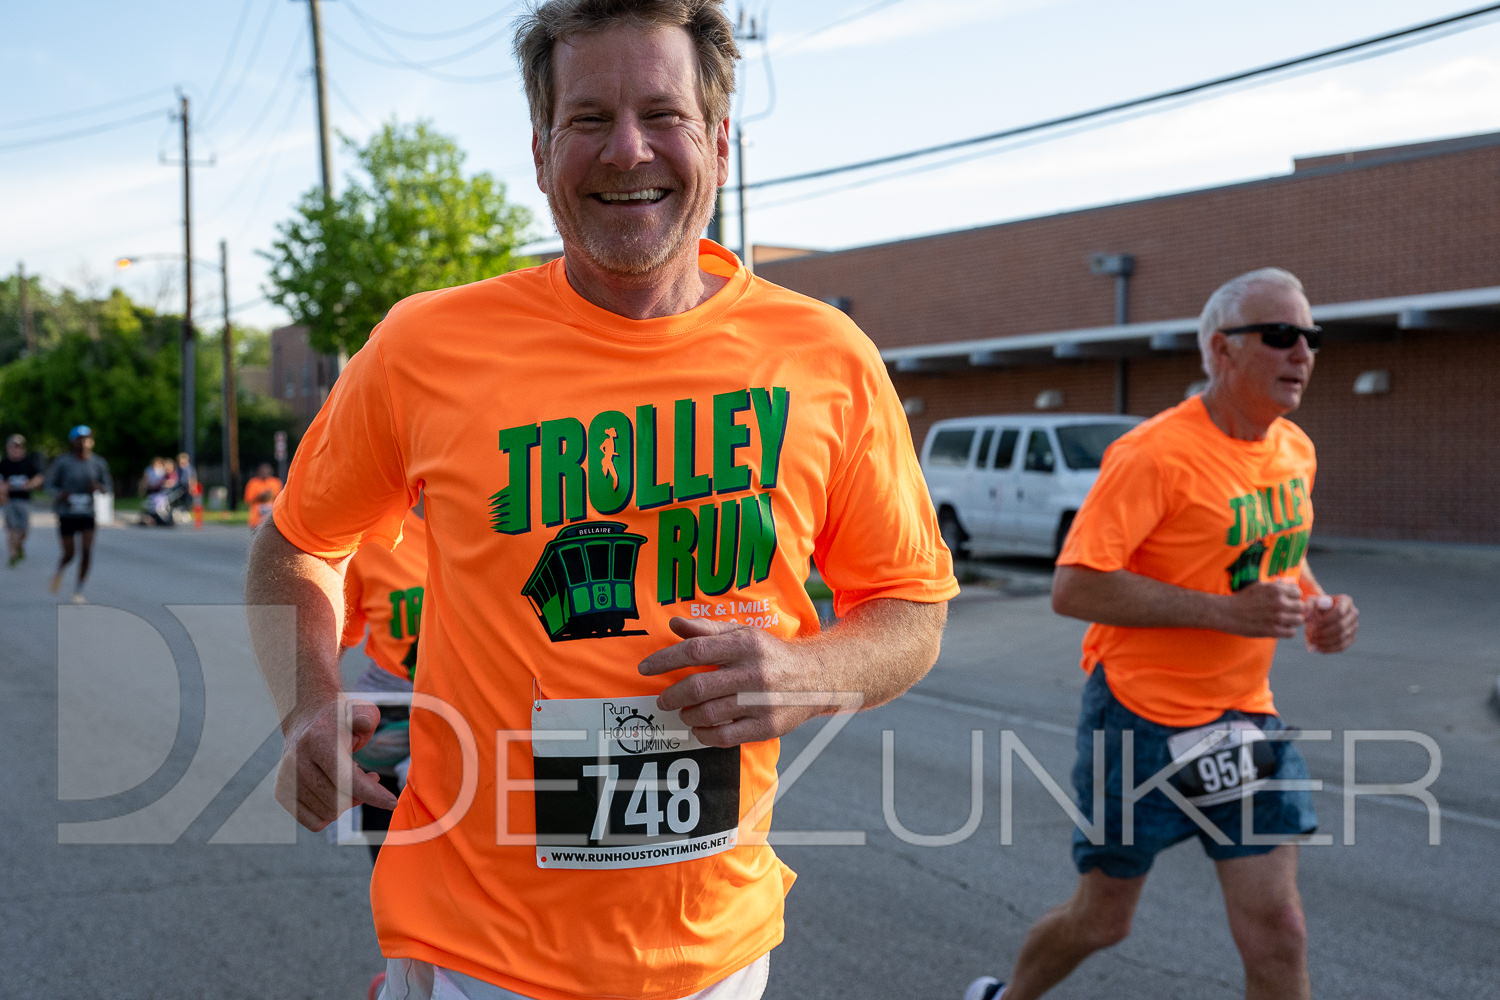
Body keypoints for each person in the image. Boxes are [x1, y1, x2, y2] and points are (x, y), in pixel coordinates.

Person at [244, 3, 958, 999]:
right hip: (481, 952)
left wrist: (811, 670)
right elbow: (296, 547)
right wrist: (307, 705)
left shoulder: (826, 358)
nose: (628, 150)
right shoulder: (423, 348)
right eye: (588, 119)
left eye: (662, 113)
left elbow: (912, 609)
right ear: (540, 153)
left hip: (715, 951)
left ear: (716, 139)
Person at [965, 268, 1360, 1000]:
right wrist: (1225, 613)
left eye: (1311, 337)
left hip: (1244, 724)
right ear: (1223, 349)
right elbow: (1074, 585)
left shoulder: (1293, 451)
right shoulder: (1153, 454)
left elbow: (1276, 550)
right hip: (1138, 723)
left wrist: (1319, 605)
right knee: (1103, 920)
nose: (1302, 352)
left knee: (1280, 927)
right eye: (1280, 336)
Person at [341, 502, 428, 864]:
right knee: (395, 868)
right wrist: (310, 713)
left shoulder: (508, 517)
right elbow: (330, 639)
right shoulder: (373, 534)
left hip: (477, 717)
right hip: (391, 720)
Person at [45, 425, 113, 603]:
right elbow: (49, 485)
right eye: (80, 439)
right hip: (67, 513)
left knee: (87, 550)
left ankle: (78, 588)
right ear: (73, 441)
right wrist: (61, 494)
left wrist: (98, 487)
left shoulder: (98, 463)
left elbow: (107, 487)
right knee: (69, 553)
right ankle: (59, 570)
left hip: (87, 513)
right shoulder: (63, 462)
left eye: (88, 438)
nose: (84, 442)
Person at [1, 433, 45, 566]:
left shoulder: (28, 463)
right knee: (12, 529)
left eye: (18, 446)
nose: (15, 449)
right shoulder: (4, 463)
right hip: (9, 501)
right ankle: (13, 555)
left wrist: (31, 484)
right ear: (8, 448)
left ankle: (19, 546)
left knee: (24, 530)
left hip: (24, 500)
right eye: (13, 446)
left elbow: (39, 477)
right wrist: (3, 490)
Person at [243, 462, 283, 531]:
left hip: (272, 519)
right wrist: (260, 497)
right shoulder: (253, 482)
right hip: (256, 520)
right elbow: (248, 500)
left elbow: (280, 500)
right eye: (263, 471)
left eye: (267, 471)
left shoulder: (276, 482)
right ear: (259, 472)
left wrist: (270, 495)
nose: (265, 473)